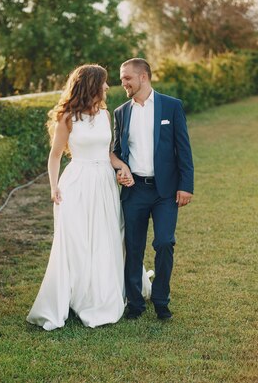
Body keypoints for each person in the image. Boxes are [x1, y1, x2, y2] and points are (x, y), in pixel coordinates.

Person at [27, 64, 152, 331]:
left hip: (104, 181)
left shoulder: (105, 115)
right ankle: (77, 295)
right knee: (77, 240)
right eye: (104, 83)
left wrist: (121, 167)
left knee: (107, 236)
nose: (108, 87)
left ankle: (105, 292)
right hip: (77, 183)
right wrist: (53, 187)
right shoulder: (67, 117)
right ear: (91, 84)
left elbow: (107, 153)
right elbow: (56, 155)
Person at [113, 58, 194, 320]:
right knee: (133, 247)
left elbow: (183, 148)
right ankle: (134, 303)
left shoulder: (171, 106)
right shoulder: (121, 112)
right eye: (122, 78)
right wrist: (120, 171)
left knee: (165, 242)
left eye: (127, 78)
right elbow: (116, 152)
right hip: (135, 190)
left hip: (166, 191)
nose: (123, 82)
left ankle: (161, 300)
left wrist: (186, 186)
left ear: (144, 77)